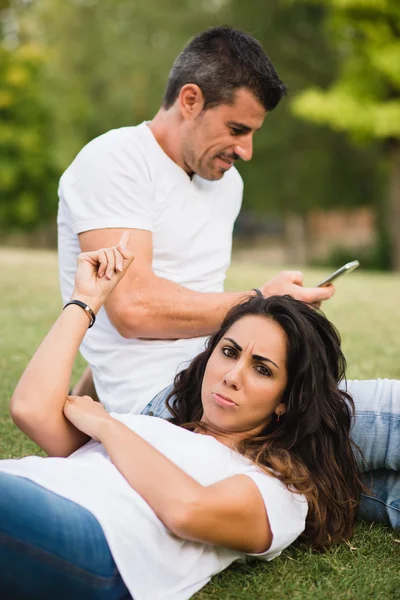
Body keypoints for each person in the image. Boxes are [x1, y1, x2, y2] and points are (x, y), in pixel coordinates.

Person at [57, 26, 399, 526]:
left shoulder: (225, 186)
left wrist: (93, 385)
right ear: (190, 100)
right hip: (176, 402)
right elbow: (131, 310)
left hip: (220, 376)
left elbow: (153, 319)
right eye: (238, 129)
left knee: (371, 487)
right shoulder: (115, 162)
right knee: (391, 412)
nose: (247, 150)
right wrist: (261, 299)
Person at [2, 235, 365, 599]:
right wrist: (86, 300)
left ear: (286, 401)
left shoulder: (278, 490)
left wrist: (107, 426)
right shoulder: (150, 427)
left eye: (262, 369)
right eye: (229, 351)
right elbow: (31, 410)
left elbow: (187, 510)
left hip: (95, 539)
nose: (232, 375)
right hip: (27, 489)